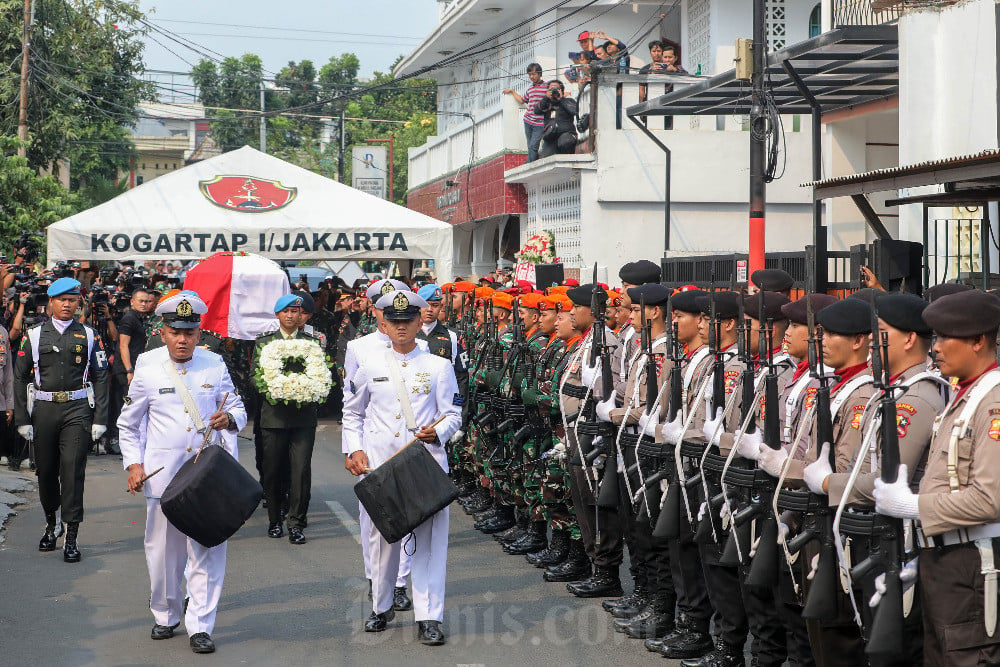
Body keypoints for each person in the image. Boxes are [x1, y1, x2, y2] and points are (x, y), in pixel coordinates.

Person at [874, 289, 1000, 666]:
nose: (937, 348)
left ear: (978, 341)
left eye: (947, 337)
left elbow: (990, 499)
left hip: (971, 563)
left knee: (966, 656)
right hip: (946, 556)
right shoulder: (966, 396)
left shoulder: (992, 402)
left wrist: (913, 506)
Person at [119, 291, 247, 655]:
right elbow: (128, 425)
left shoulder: (214, 364)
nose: (182, 340)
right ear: (163, 332)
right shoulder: (146, 367)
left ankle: (201, 625)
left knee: (208, 549)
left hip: (206, 476)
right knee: (163, 553)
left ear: (198, 332)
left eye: (189, 333)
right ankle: (166, 614)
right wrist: (134, 464)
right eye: (176, 332)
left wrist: (230, 418)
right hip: (162, 475)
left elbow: (236, 405)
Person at [342, 289, 462, 645]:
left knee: (429, 543)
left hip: (424, 464)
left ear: (418, 320)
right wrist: (355, 449)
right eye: (394, 322)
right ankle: (381, 607)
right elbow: (352, 413)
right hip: (381, 466)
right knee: (381, 542)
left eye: (407, 321)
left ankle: (429, 616)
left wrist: (437, 431)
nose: (401, 328)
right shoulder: (370, 365)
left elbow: (454, 414)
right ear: (384, 322)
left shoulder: (438, 366)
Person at [13, 277, 109, 563]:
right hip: (44, 409)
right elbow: (20, 377)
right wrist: (22, 418)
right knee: (46, 471)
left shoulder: (90, 335)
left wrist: (100, 418)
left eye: (72, 299)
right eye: (61, 300)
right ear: (51, 303)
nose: (67, 304)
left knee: (72, 471)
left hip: (77, 407)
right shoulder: (33, 335)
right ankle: (51, 522)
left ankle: (72, 535)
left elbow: (101, 376)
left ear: (79, 301)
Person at [251, 293, 323, 544]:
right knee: (273, 470)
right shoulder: (264, 343)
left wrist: (305, 390)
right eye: (286, 312)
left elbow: (322, 373)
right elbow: (255, 378)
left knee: (300, 471)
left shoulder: (312, 342)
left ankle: (296, 523)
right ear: (278, 315)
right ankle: (274, 520)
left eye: (296, 312)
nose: (292, 316)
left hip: (303, 418)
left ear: (302, 315)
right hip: (273, 417)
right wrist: (278, 389)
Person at [109, 287, 157, 454]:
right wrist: (129, 370)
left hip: (134, 368)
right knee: (127, 406)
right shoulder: (129, 319)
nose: (144, 304)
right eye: (141, 301)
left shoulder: (139, 318)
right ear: (132, 302)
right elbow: (123, 345)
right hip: (126, 370)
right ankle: (118, 441)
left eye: (147, 301)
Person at [503, 63, 548, 163]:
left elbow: (554, 96)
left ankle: (528, 165)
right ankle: (533, 164)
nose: (532, 77)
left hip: (540, 123)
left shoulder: (547, 87)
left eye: (534, 74)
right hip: (528, 121)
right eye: (530, 75)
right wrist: (512, 91)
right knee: (530, 146)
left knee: (533, 146)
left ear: (539, 74)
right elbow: (522, 100)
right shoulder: (530, 88)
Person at [534, 80, 578, 159]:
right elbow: (536, 111)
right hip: (550, 137)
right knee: (546, 159)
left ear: (561, 90)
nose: (554, 91)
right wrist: (546, 98)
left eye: (556, 89)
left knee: (565, 142)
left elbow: (574, 110)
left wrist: (561, 99)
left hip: (567, 135)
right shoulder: (546, 103)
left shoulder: (568, 101)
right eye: (551, 89)